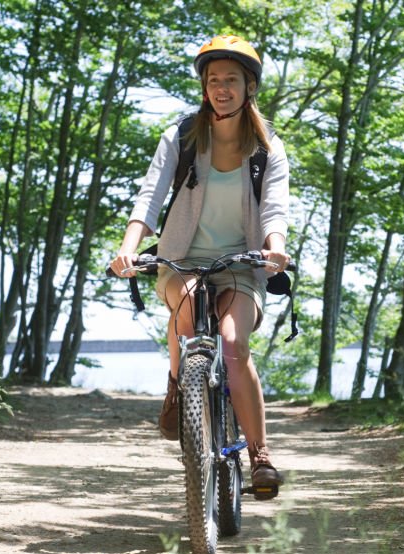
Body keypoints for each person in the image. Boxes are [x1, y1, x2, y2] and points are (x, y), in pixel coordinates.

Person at [110, 35, 289, 496]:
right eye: (213, 80)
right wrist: (129, 247)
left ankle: (260, 455)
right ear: (204, 87)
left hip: (242, 265)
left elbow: (274, 209)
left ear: (249, 87)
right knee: (188, 309)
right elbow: (149, 198)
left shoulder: (268, 146)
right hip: (182, 260)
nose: (221, 88)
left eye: (231, 79)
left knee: (233, 344)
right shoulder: (182, 136)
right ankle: (179, 385)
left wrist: (275, 247)